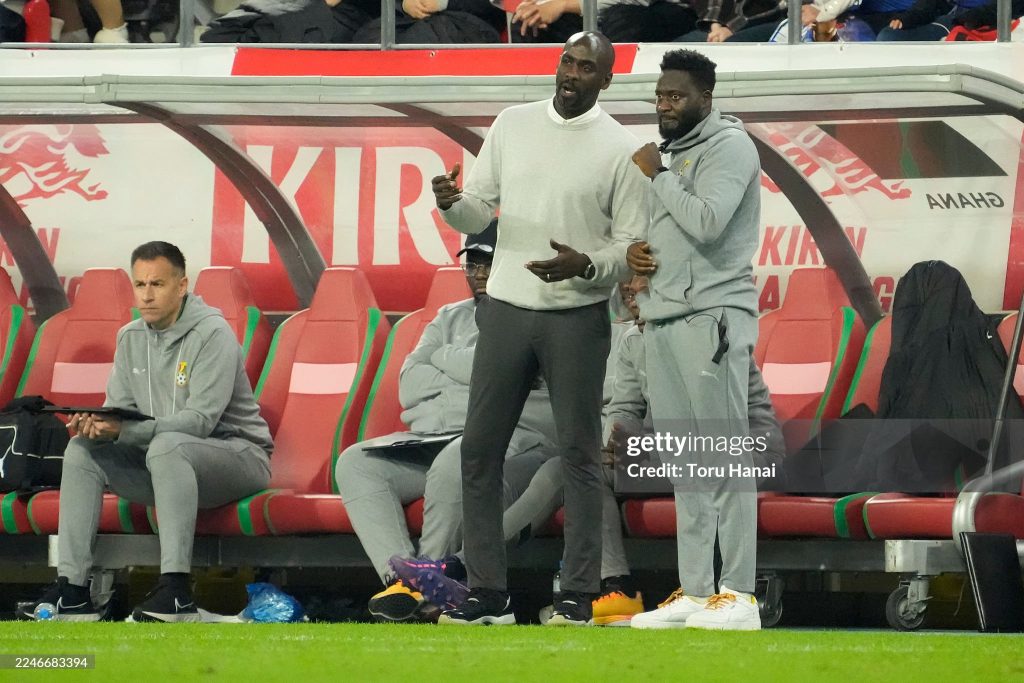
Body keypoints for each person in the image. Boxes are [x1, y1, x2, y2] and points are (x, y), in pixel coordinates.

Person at [430, 30, 648, 626]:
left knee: (579, 456)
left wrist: (587, 264)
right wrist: (451, 203)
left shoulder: (624, 149)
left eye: (585, 67)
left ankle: (578, 594)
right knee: (479, 451)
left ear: (606, 80)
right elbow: (478, 209)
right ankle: (488, 594)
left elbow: (633, 247)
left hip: (577, 316)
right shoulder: (512, 123)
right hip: (506, 308)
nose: (571, 74)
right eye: (566, 62)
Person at [23, 241, 273, 623]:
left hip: (237, 458)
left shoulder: (213, 333)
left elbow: (200, 422)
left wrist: (123, 431)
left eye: (157, 284)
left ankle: (176, 591)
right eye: (140, 285)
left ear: (182, 286)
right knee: (82, 449)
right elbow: (120, 410)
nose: (147, 295)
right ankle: (72, 591)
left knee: (167, 446)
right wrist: (100, 427)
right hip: (164, 463)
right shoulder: (130, 337)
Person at [335, 222, 558, 623]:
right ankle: (400, 580)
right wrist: (467, 381)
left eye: (487, 263)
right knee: (356, 462)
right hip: (437, 437)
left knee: (459, 457)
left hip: (515, 443)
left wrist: (443, 363)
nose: (478, 274)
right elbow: (410, 383)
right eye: (472, 264)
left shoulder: (538, 314)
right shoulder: (449, 316)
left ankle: (427, 584)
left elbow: (500, 373)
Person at [628, 49, 763, 631]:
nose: (665, 105)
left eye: (676, 96)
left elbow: (708, 222)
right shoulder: (670, 153)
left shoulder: (730, 146)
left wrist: (658, 177)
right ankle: (697, 590)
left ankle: (740, 594)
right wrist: (638, 255)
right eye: (660, 96)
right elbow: (670, 233)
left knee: (724, 455)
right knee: (685, 461)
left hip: (712, 317)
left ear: (706, 97)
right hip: (662, 318)